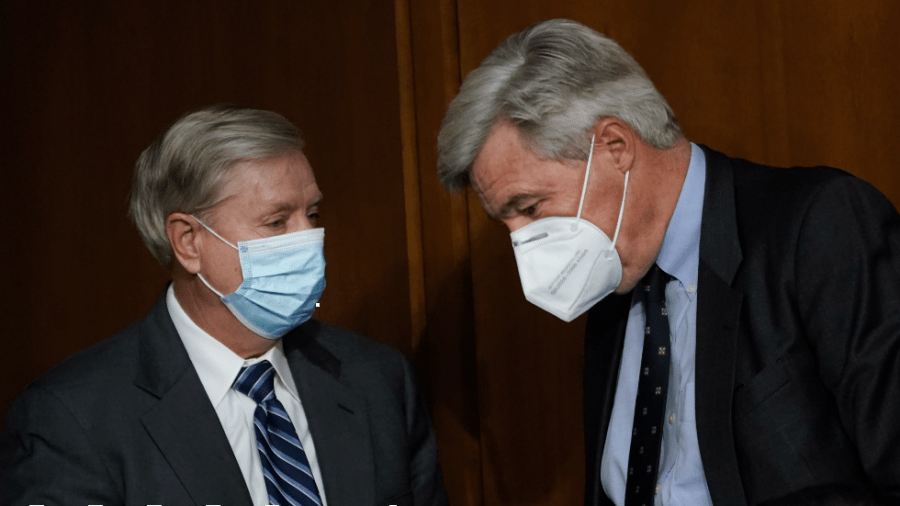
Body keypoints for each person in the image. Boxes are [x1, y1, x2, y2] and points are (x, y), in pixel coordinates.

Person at [437, 18, 900, 506]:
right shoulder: (609, 282)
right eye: (504, 225)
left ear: (614, 147)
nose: (525, 247)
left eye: (530, 209)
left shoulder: (817, 226)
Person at [0, 106, 449, 506]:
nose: (308, 239)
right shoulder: (73, 420)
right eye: (276, 222)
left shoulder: (377, 380)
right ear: (188, 242)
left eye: (311, 214)